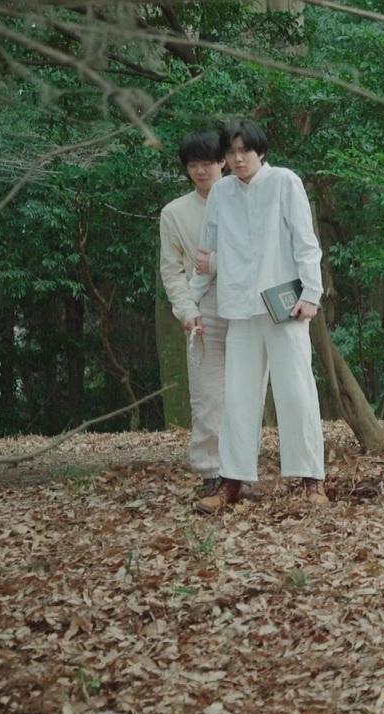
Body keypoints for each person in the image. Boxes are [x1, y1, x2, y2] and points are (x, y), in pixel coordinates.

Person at [190, 119, 329, 511]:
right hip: (240, 308)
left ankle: (312, 480)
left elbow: (305, 243)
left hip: (285, 305)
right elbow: (206, 252)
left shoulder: (284, 182)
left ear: (260, 151)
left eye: (244, 151)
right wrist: (192, 304)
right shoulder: (222, 193)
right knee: (238, 397)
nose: (238, 159)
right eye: (231, 152)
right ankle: (231, 482)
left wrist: (312, 294)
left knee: (296, 391)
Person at [159, 130, 229, 496]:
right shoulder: (174, 212)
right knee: (206, 393)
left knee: (246, 391)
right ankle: (211, 472)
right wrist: (186, 310)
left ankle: (242, 471)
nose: (200, 171)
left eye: (207, 163)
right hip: (203, 302)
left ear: (223, 162)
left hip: (247, 303)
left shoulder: (244, 199)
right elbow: (171, 269)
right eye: (192, 165)